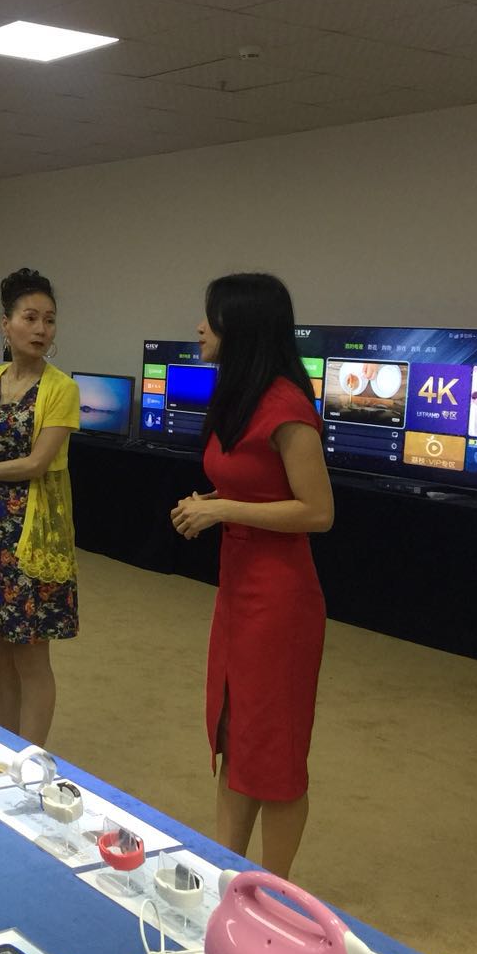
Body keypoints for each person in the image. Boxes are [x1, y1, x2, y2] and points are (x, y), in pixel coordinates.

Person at [169, 273, 334, 880]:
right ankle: (226, 873)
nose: (199, 328)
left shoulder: (286, 405)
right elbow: (256, 486)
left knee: (275, 752)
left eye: (210, 317)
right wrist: (217, 502)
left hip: (280, 600)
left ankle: (273, 891)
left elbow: (318, 512)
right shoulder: (241, 394)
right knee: (233, 734)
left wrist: (223, 510)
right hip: (238, 589)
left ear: (240, 327)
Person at [0, 268, 79, 749]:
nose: (41, 329)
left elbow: (36, 464)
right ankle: (7, 747)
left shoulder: (62, 388)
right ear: (5, 324)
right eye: (30, 317)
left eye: (49, 319)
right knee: (1, 650)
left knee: (31, 654)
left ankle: (31, 759)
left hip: (36, 536)